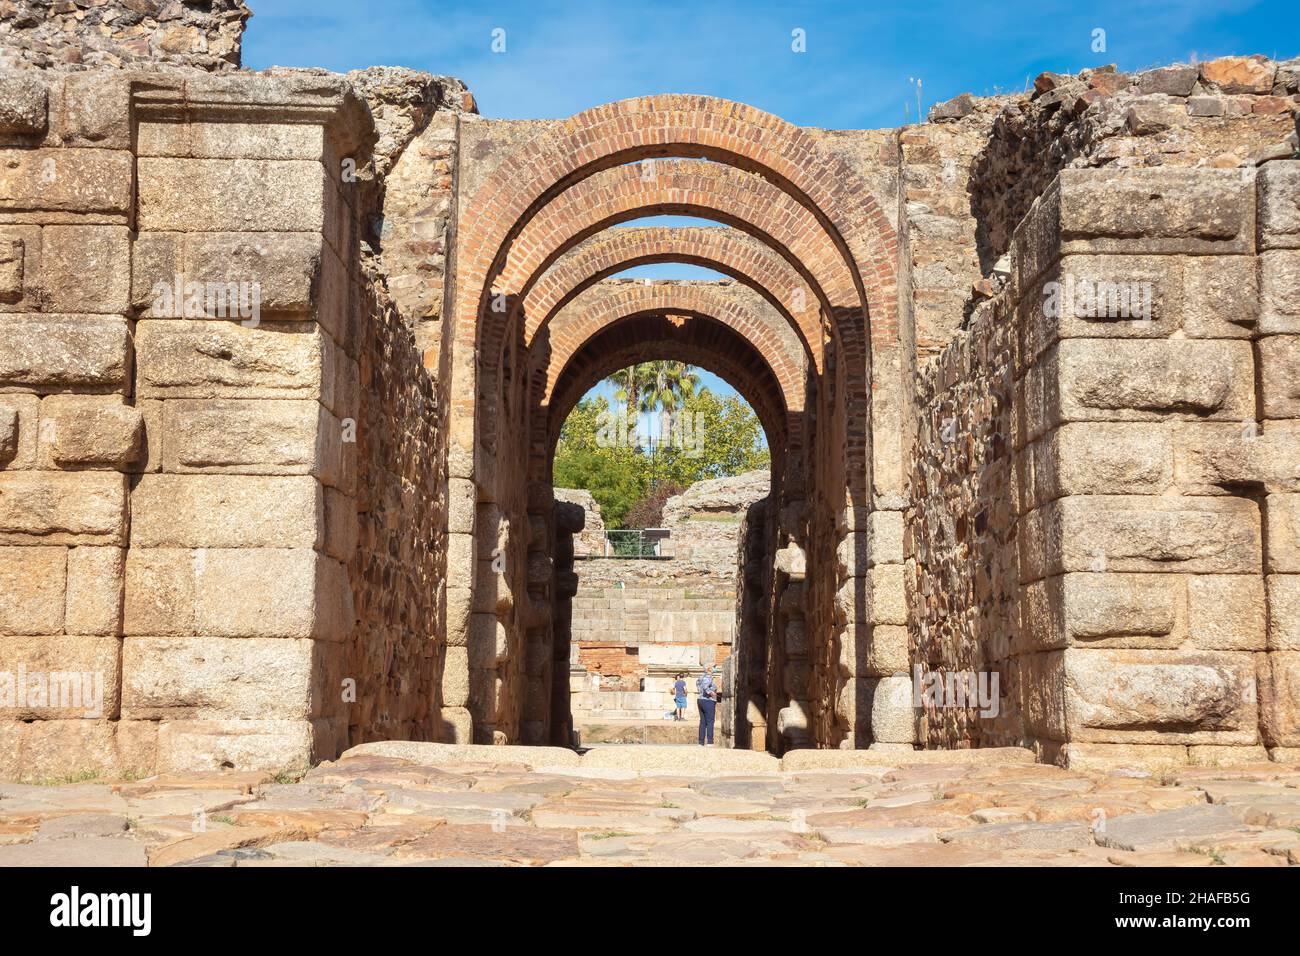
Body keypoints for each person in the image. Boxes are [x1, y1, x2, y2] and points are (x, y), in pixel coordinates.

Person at [696, 666, 718, 745]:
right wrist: (712, 693)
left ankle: (701, 742)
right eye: (713, 669)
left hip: (700, 700)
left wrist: (700, 692)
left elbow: (697, 685)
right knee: (710, 721)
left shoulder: (700, 677)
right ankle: (710, 741)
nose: (715, 670)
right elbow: (705, 687)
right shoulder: (708, 677)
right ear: (710, 670)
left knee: (702, 722)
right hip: (708, 701)